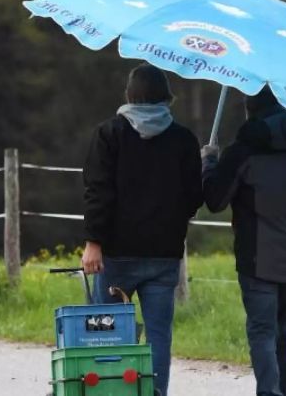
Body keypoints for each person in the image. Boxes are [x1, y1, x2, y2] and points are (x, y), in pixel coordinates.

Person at [201, 87, 286, 396]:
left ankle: (269, 392)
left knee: (262, 332)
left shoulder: (242, 153)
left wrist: (209, 164)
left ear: (250, 111)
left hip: (255, 261)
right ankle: (282, 390)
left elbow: (215, 200)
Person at [81, 63, 203, 396]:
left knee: (106, 332)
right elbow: (193, 199)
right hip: (163, 256)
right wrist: (204, 164)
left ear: (129, 95)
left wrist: (93, 242)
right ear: (167, 96)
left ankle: (109, 391)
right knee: (159, 335)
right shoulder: (183, 140)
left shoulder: (109, 134)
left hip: (115, 255)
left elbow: (98, 191)